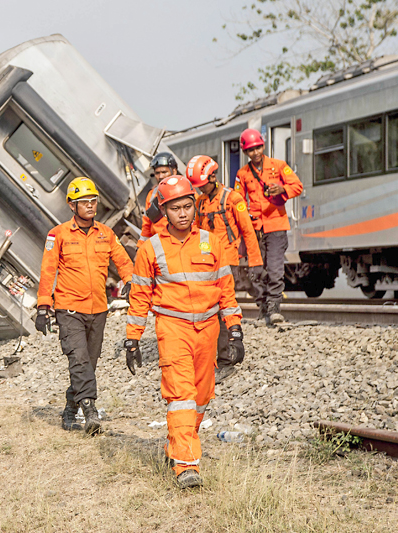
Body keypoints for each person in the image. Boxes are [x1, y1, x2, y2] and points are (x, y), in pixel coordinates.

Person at [124, 175, 244, 488]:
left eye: (187, 206)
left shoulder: (211, 241)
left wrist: (235, 330)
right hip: (172, 329)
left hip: (207, 331)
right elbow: (138, 298)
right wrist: (132, 339)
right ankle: (187, 465)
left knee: (202, 397)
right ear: (163, 211)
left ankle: (176, 444)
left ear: (195, 206)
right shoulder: (150, 248)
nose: (182, 213)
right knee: (181, 397)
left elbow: (226, 291)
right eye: (175, 208)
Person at [36, 177, 134, 435]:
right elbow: (48, 271)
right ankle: (90, 412)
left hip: (98, 309)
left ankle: (70, 408)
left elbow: (123, 260)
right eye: (84, 202)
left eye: (93, 201)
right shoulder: (57, 235)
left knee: (87, 365)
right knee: (78, 360)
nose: (90, 206)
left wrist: (131, 281)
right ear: (72, 205)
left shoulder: (106, 233)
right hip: (69, 309)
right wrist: (43, 306)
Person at [186, 155, 263, 383]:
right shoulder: (200, 203)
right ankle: (211, 358)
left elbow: (248, 232)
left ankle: (226, 359)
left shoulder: (233, 199)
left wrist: (255, 263)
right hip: (205, 264)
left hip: (228, 263)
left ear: (212, 176)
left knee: (221, 311)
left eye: (201, 184)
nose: (199, 188)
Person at [234, 129, 303, 324]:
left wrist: (282, 189)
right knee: (256, 271)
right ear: (245, 152)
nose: (255, 152)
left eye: (258, 148)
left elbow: (297, 186)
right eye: (250, 150)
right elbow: (237, 199)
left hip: (276, 225)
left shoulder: (279, 166)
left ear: (263, 146)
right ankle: (262, 307)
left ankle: (274, 308)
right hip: (254, 229)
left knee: (274, 269)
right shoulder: (243, 174)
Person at [140, 152, 179, 241]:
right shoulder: (151, 195)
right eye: (157, 173)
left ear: (174, 171)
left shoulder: (186, 191)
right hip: (159, 245)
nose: (161, 176)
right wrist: (140, 247)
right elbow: (146, 225)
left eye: (164, 172)